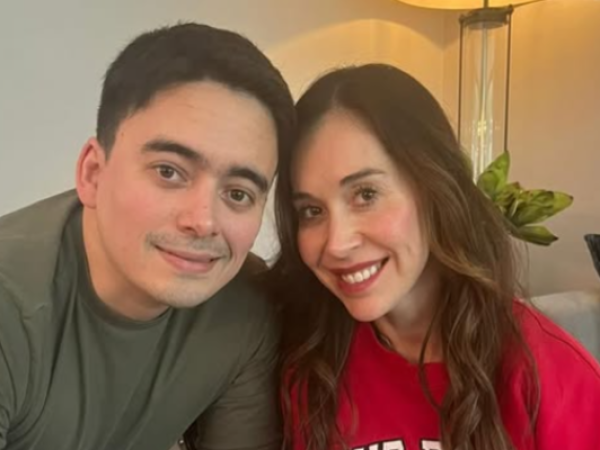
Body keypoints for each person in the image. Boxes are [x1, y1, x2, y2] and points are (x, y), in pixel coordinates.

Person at [270, 63, 600, 450]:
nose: (336, 244)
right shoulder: (307, 361)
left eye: (366, 194)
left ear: (435, 189)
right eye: (311, 210)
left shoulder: (551, 375)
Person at [0, 23, 295, 450]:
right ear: (93, 173)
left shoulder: (245, 311)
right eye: (169, 172)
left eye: (237, 194)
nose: (203, 221)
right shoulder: (13, 310)